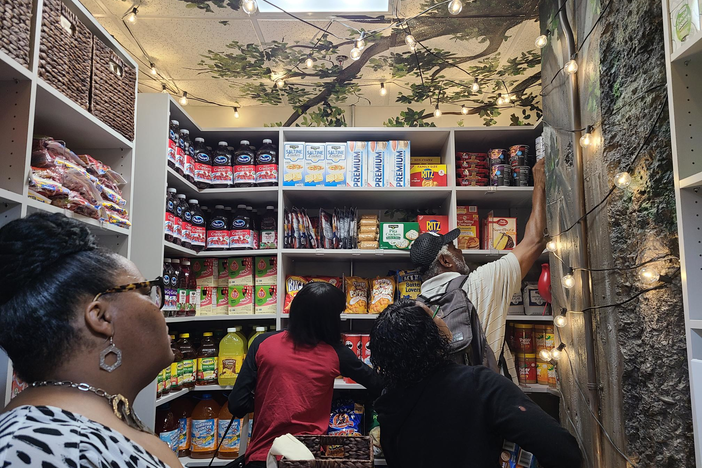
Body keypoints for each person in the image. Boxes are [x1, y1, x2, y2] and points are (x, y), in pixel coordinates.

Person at [0, 213, 180, 468]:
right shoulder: (45, 447)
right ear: (101, 316)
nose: (158, 308)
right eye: (145, 291)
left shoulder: (67, 434)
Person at [370, 299, 583, 468]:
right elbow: (563, 451)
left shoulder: (389, 402)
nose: (442, 317)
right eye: (435, 314)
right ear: (427, 336)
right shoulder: (479, 384)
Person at [410, 158, 547, 381]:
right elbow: (535, 241)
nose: (460, 252)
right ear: (445, 261)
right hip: (489, 399)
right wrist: (539, 182)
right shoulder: (480, 282)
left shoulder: (418, 305)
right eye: (454, 248)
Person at [228, 281, 383, 468]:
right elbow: (378, 385)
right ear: (330, 320)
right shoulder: (337, 353)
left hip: (263, 456)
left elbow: (236, 405)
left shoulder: (262, 343)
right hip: (309, 456)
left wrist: (270, 399)